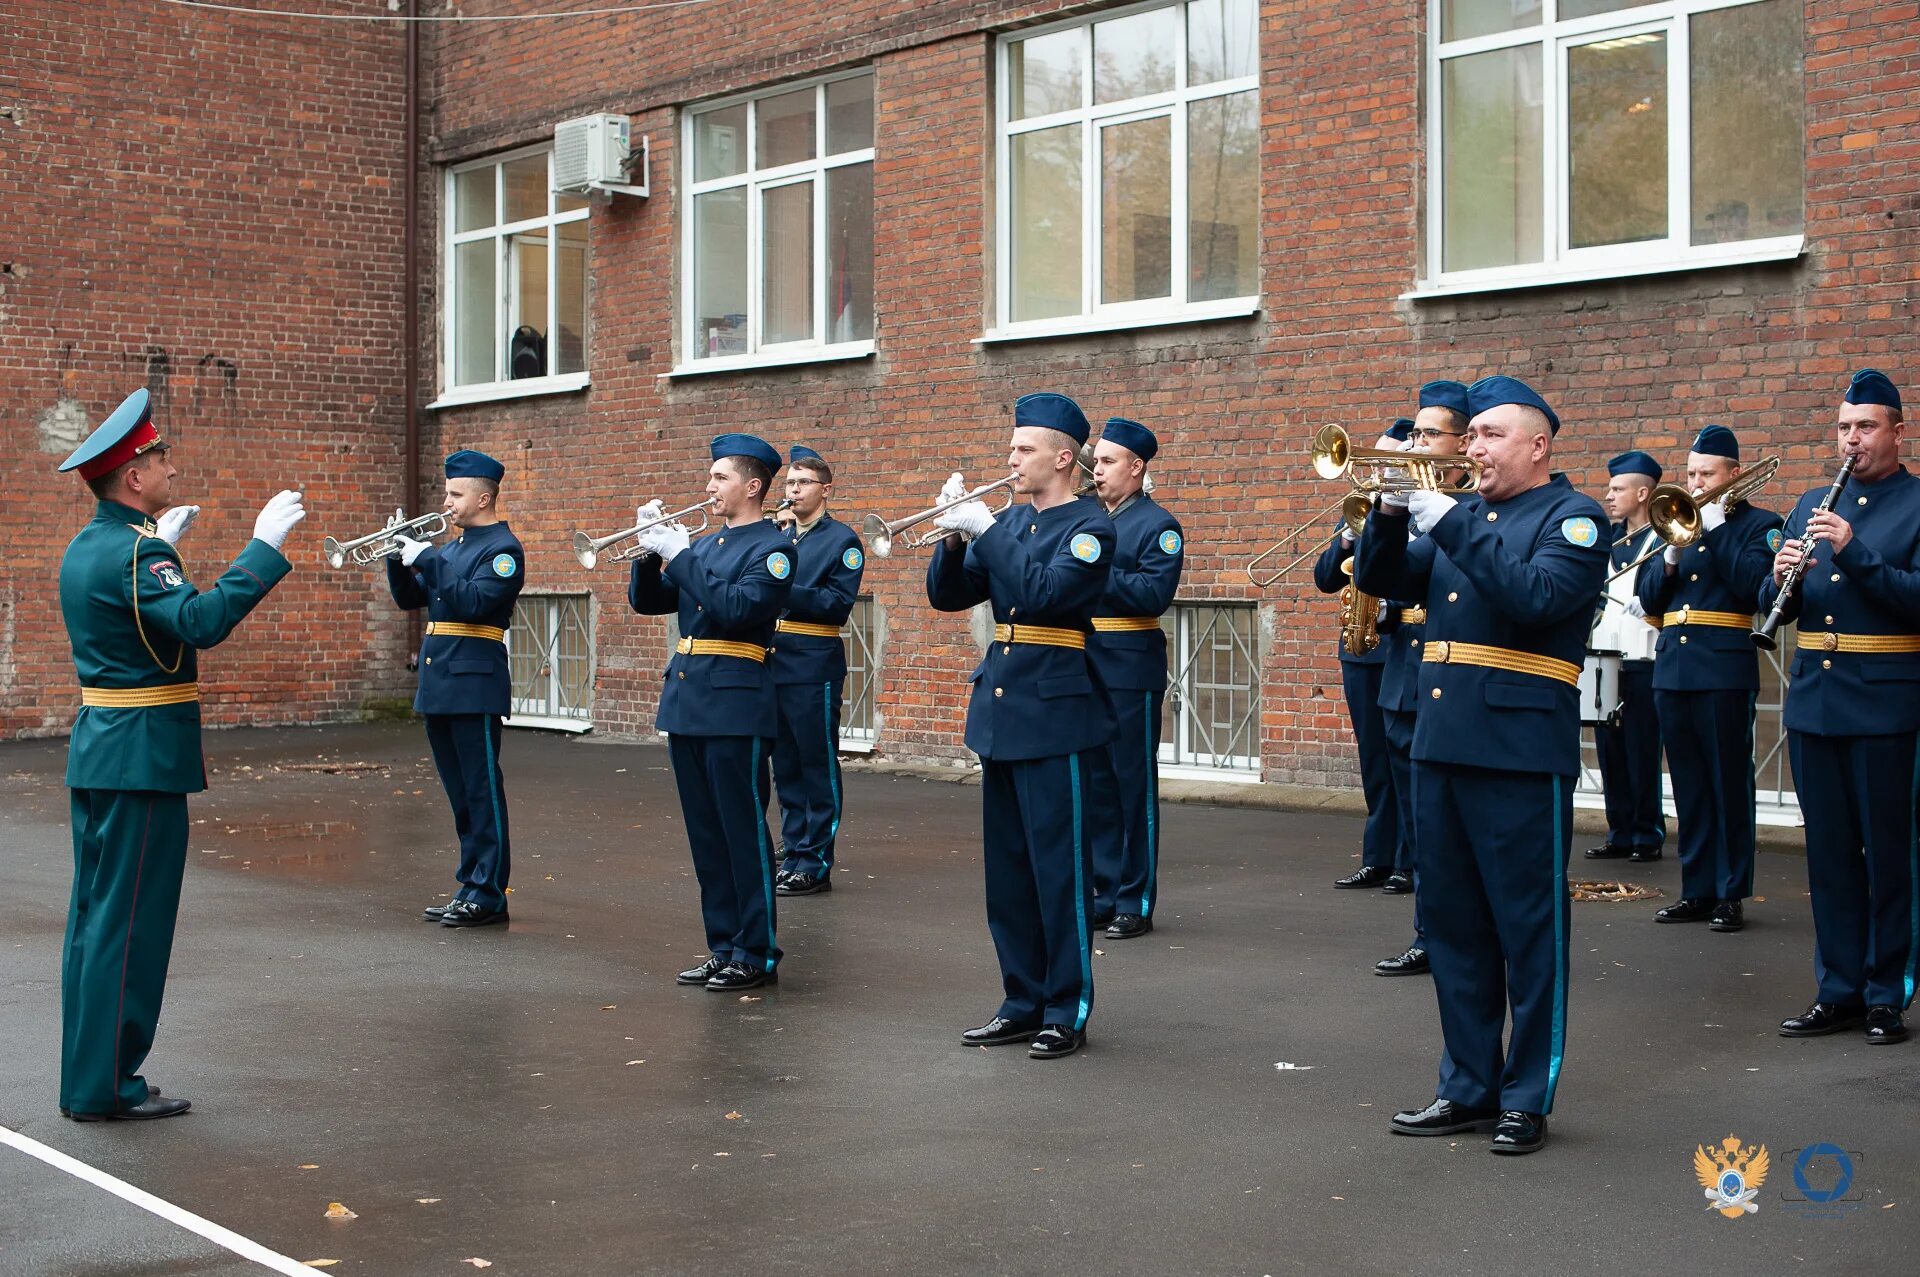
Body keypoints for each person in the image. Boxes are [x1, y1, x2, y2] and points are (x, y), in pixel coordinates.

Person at [1355, 375, 1607, 1155]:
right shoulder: (1471, 517)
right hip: (1442, 743)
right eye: (1471, 435)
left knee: (1528, 930)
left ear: (1538, 444)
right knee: (1457, 927)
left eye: (1491, 434)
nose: (1473, 446)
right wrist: (1391, 513)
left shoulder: (1575, 517)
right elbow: (1379, 579)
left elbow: (1534, 598)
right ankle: (1468, 1084)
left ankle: (1526, 1093)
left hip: (1518, 752)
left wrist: (1451, 518)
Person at [56, 387, 304, 1120]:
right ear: (133, 475)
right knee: (129, 925)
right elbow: (197, 622)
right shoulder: (138, 553)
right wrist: (262, 548)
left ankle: (90, 1075)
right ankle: (105, 1085)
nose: (169, 462)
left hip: (103, 751)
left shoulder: (94, 545)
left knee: (95, 921)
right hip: (140, 759)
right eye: (158, 455)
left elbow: (134, 628)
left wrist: (161, 543)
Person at [927, 392, 1114, 1059]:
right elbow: (948, 595)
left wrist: (989, 530)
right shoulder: (1016, 524)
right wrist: (955, 536)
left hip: (1055, 712)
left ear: (1063, 457)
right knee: (1007, 872)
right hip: (1002, 710)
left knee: (1057, 871)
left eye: (1024, 448)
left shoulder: (1089, 526)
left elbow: (1044, 595)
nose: (1011, 458)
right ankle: (1021, 997)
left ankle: (1067, 1005)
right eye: (1011, 447)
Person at [1763, 369, 1920, 1045]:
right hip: (1817, 702)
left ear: (1897, 431)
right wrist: (1778, 581)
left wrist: (1853, 552)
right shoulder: (1808, 502)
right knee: (1827, 856)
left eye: (1865, 426)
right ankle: (1840, 988)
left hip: (1886, 700)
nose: (1850, 439)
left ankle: (1889, 992)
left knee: (1889, 854)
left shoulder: (1916, 503)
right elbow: (1795, 603)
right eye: (1842, 427)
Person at [630, 434, 793, 992]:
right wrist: (648, 551)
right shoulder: (708, 545)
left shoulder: (772, 548)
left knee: (742, 832)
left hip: (736, 702)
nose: (708, 486)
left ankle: (756, 950)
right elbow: (650, 602)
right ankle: (723, 945)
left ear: (752, 487)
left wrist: (679, 554)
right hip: (689, 699)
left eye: (720, 477)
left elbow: (735, 609)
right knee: (706, 834)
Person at [1634, 427, 1781, 932]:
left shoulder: (1761, 525)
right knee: (1689, 786)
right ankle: (1696, 889)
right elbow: (1650, 598)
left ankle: (1731, 892)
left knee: (1727, 784)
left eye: (1706, 474)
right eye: (1691, 473)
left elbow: (1753, 588)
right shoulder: (1674, 523)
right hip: (1673, 667)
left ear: (1733, 475)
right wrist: (1671, 553)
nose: (1695, 484)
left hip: (1723, 669)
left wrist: (1715, 529)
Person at [388, 450, 525, 929]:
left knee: (482, 790)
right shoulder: (451, 549)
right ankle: (470, 883)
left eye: (454, 494)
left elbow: (471, 603)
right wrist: (395, 554)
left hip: (475, 686)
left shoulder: (503, 550)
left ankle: (489, 892)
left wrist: (425, 556)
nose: (445, 503)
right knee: (460, 793)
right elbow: (411, 597)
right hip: (442, 683)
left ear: (484, 497)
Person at [1374, 381, 1471, 977]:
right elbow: (1365, 575)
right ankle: (1428, 932)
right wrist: (1383, 511)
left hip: (1454, 680)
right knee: (1421, 828)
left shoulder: (1471, 509)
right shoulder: (1412, 501)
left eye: (1429, 434)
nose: (1416, 443)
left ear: (1464, 445)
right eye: (1414, 433)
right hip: (1404, 680)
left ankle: (1458, 935)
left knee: (1455, 830)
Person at [1084, 416, 1184, 939]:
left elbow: (1151, 596)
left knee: (1130, 787)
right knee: (1097, 786)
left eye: (1106, 461)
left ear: (1136, 467)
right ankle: (1104, 890)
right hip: (1088, 659)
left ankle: (1135, 899)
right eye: (1095, 461)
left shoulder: (1158, 525)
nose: (1095, 470)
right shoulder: (1088, 518)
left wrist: (1093, 567)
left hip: (1129, 663)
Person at [1318, 420, 1412, 894]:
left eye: (1386, 460)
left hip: (1397, 645)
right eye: (1373, 461)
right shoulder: (1358, 507)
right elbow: (1324, 578)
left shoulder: (1412, 508)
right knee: (1373, 760)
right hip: (1358, 652)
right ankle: (1376, 856)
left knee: (1403, 763)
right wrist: (1349, 537)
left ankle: (1406, 861)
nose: (1375, 470)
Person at [770, 445, 866, 897]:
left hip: (812, 661)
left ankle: (816, 860)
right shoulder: (780, 537)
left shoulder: (841, 541)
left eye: (803, 482)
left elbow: (836, 605)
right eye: (789, 483)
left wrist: (784, 584)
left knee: (815, 762)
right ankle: (793, 848)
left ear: (826, 490)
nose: (793, 490)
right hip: (774, 660)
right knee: (785, 764)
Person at [1586, 451, 1667, 865]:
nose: (1610, 496)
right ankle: (1618, 831)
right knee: (1610, 750)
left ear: (1642, 492)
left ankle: (1647, 833)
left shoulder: (1662, 539)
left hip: (1644, 657)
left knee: (1641, 748)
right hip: (1607, 656)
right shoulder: (1610, 540)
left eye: (1618, 489)